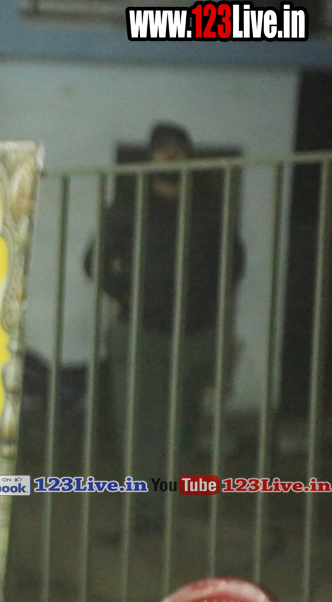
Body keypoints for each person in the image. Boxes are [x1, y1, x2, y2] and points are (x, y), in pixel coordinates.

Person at [85, 122, 245, 531]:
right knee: (138, 428)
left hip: (193, 336)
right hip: (142, 333)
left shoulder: (206, 206)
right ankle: (144, 514)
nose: (170, 156)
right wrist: (129, 297)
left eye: (177, 149)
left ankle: (166, 511)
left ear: (189, 154)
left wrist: (203, 304)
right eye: (162, 149)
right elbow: (95, 261)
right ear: (151, 156)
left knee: (182, 428)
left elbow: (234, 262)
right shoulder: (130, 204)